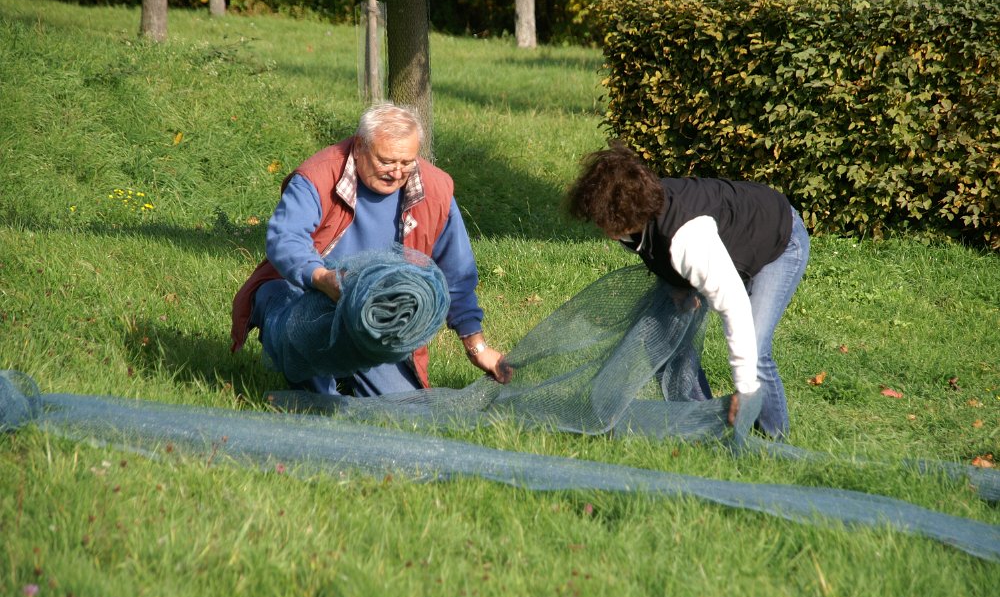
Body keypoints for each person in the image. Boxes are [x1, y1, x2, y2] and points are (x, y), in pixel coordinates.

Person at [231, 102, 507, 395]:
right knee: (319, 398)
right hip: (308, 295)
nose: (397, 172)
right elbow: (285, 239)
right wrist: (321, 278)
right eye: (386, 161)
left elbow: (457, 274)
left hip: (376, 314)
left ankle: (351, 369)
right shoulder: (317, 175)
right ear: (360, 146)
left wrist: (476, 346)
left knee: (399, 409)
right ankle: (314, 375)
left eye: (407, 162)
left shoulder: (436, 189)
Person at [566, 141, 809, 438]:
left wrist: (745, 390)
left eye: (602, 220)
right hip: (725, 241)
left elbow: (734, 307)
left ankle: (773, 439)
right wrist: (679, 287)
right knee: (663, 338)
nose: (601, 228)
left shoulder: (689, 240)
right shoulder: (639, 215)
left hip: (778, 240)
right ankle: (702, 425)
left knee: (755, 348)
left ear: (622, 216)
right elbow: (653, 249)